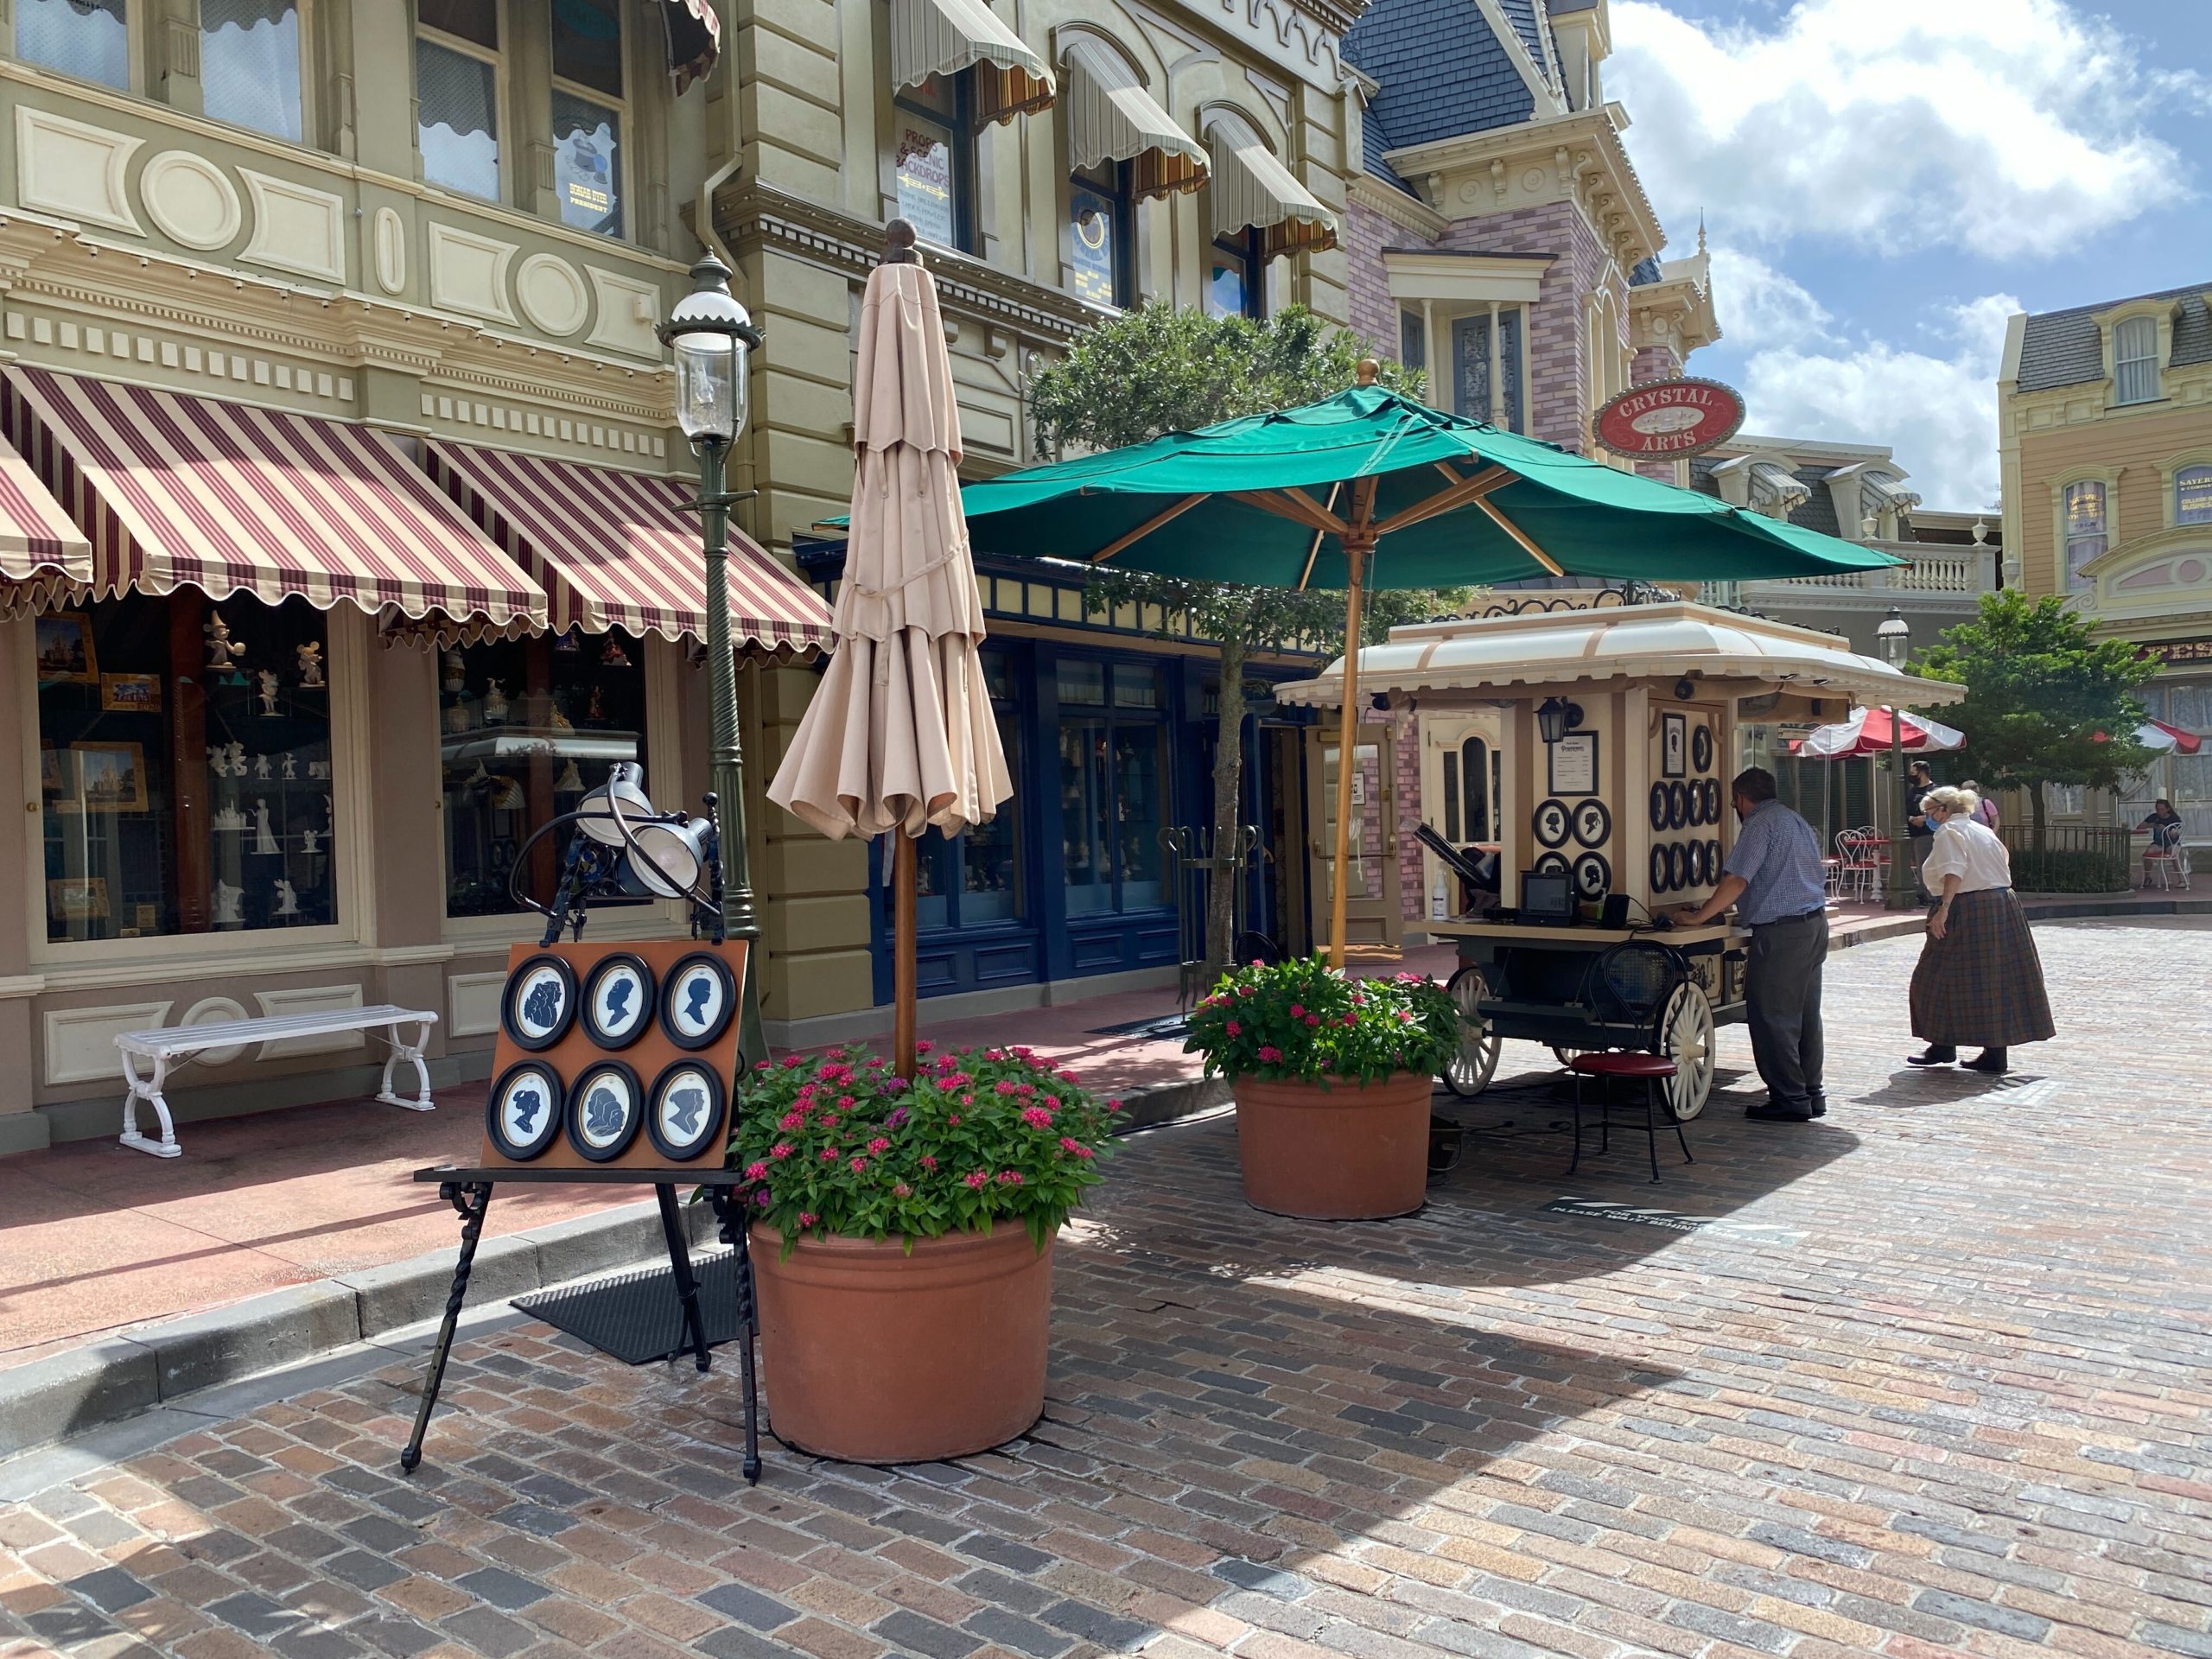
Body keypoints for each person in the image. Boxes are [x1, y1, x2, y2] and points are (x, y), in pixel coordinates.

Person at [1670, 767, 1829, 1122]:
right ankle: (1810, 1092)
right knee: (1804, 1016)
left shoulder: (1760, 824)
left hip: (1782, 931)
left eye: (1734, 802)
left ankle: (1789, 1098)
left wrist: (1699, 916)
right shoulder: (1794, 819)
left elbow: (1737, 879)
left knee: (1772, 1017)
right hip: (1813, 923)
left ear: (1741, 798)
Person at [1906, 785, 2055, 1075]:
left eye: (1930, 812)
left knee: (1934, 975)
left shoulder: (1950, 832)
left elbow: (1953, 870)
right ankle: (1992, 1052)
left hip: (1968, 904)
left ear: (1944, 810)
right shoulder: (1982, 830)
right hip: (2001, 903)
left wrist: (1944, 908)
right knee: (1994, 977)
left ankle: (1943, 1045)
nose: (1928, 818)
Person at [1904, 759, 1936, 898]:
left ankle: (1928, 895)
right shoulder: (1912, 791)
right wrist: (1911, 819)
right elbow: (1904, 810)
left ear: (1921, 773)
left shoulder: (1934, 790)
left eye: (1913, 772)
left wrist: (1924, 819)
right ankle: (1921, 893)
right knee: (1916, 865)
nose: (1910, 775)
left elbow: (1938, 811)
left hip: (1926, 833)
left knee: (1924, 864)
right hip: (1911, 832)